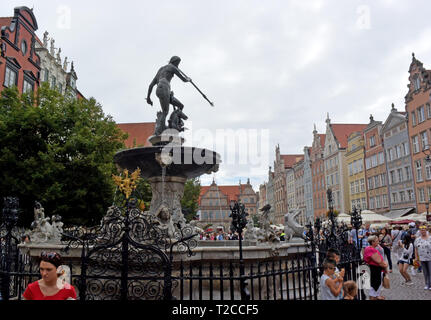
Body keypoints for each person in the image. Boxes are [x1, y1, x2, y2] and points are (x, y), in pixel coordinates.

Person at [146, 56, 191, 135]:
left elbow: (151, 85)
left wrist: (148, 98)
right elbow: (183, 79)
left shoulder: (160, 69)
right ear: (174, 62)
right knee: (165, 112)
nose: (178, 65)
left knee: (180, 106)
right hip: (164, 88)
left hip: (162, 90)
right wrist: (188, 79)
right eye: (178, 63)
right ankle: (159, 131)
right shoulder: (172, 67)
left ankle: (176, 123)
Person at [363, 235, 388, 300]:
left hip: (374, 269)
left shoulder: (370, 248)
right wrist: (385, 265)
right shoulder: (371, 249)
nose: (378, 242)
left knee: (375, 287)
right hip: (375, 270)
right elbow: (379, 262)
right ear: (372, 242)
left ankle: (377, 296)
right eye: (376, 241)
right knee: (374, 288)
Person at [414, 225, 431, 290]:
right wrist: (416, 257)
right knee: (425, 272)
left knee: (430, 271)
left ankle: (430, 284)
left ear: (426, 231)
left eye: (424, 230)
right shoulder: (417, 239)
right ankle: (426, 284)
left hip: (430, 257)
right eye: (421, 230)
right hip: (422, 258)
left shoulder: (430, 238)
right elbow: (415, 249)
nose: (423, 231)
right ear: (420, 231)